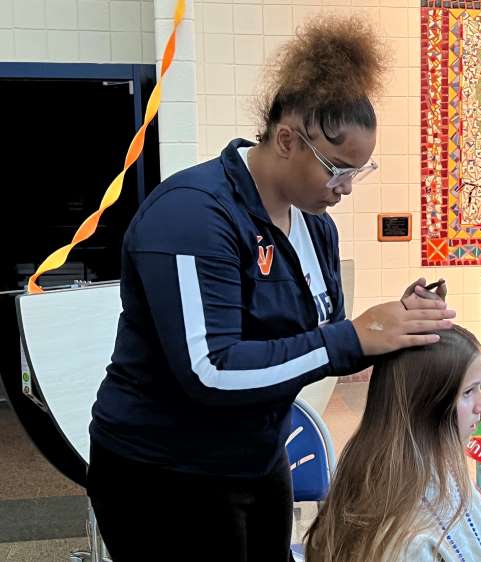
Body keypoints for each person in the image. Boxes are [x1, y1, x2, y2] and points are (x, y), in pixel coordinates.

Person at [86, 16, 455, 562]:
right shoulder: (192, 215)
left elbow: (314, 344)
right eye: (337, 169)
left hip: (256, 459)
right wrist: (350, 338)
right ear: (287, 140)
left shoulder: (314, 225)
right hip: (164, 473)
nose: (346, 187)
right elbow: (210, 370)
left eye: (360, 170)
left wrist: (391, 327)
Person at [305, 325, 481, 562]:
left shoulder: (441, 472)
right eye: (468, 392)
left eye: (480, 388)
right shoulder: (409, 539)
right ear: (427, 405)